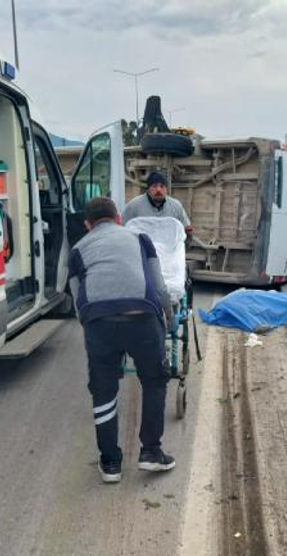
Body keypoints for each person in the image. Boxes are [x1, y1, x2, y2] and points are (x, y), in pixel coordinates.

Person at [68, 196, 175, 484]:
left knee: (103, 389)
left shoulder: (78, 249)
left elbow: (79, 300)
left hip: (99, 322)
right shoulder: (139, 237)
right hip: (142, 317)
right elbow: (159, 286)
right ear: (118, 218)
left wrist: (93, 330)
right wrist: (168, 317)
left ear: (88, 224)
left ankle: (110, 463)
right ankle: (151, 452)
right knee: (154, 380)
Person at [123, 171, 192, 233]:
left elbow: (187, 229)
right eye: (154, 186)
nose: (158, 190)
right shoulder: (134, 206)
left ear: (166, 189)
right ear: (148, 189)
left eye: (162, 186)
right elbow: (122, 228)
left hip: (169, 246)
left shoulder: (175, 206)